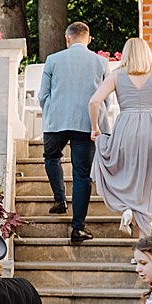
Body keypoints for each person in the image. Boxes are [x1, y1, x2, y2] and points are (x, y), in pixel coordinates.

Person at [88, 37, 152, 237]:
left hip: (126, 128)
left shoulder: (117, 75)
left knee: (127, 173)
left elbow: (94, 102)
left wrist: (95, 128)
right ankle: (143, 242)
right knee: (150, 183)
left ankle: (127, 208)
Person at [37, 22, 109, 245]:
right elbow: (107, 98)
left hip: (56, 120)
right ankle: (77, 228)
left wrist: (50, 110)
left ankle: (60, 200)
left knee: (51, 157)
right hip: (87, 122)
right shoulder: (101, 61)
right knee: (81, 174)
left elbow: (42, 94)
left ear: (67, 39)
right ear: (88, 39)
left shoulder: (53, 60)